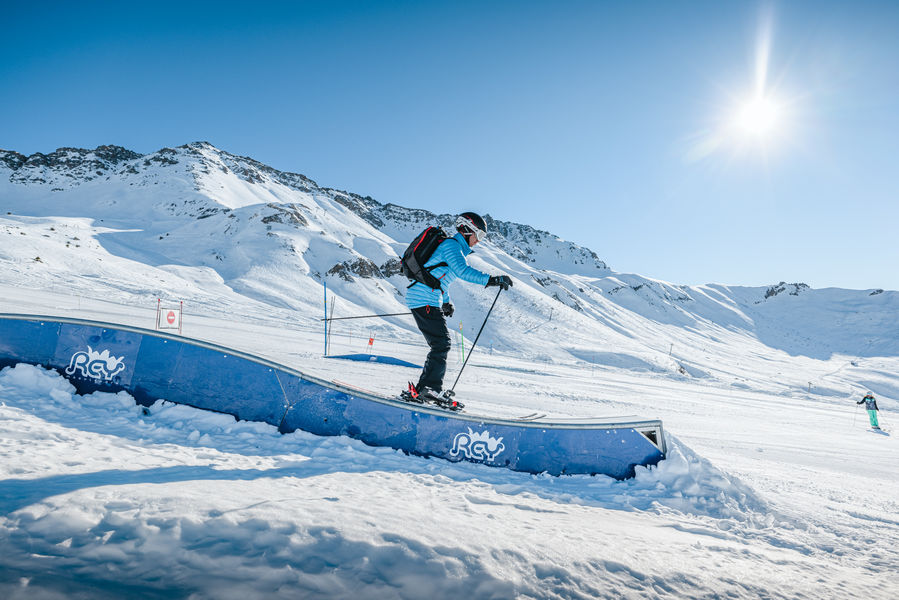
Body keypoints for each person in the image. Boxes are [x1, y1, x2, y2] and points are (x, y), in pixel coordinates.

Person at [403, 212, 512, 402]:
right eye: (479, 235)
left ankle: (425, 388)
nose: (479, 241)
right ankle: (428, 389)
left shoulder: (456, 250)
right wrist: (492, 280)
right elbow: (462, 272)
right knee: (441, 343)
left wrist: (445, 301)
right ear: (467, 229)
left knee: (440, 343)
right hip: (423, 299)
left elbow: (440, 280)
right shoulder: (451, 246)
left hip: (427, 298)